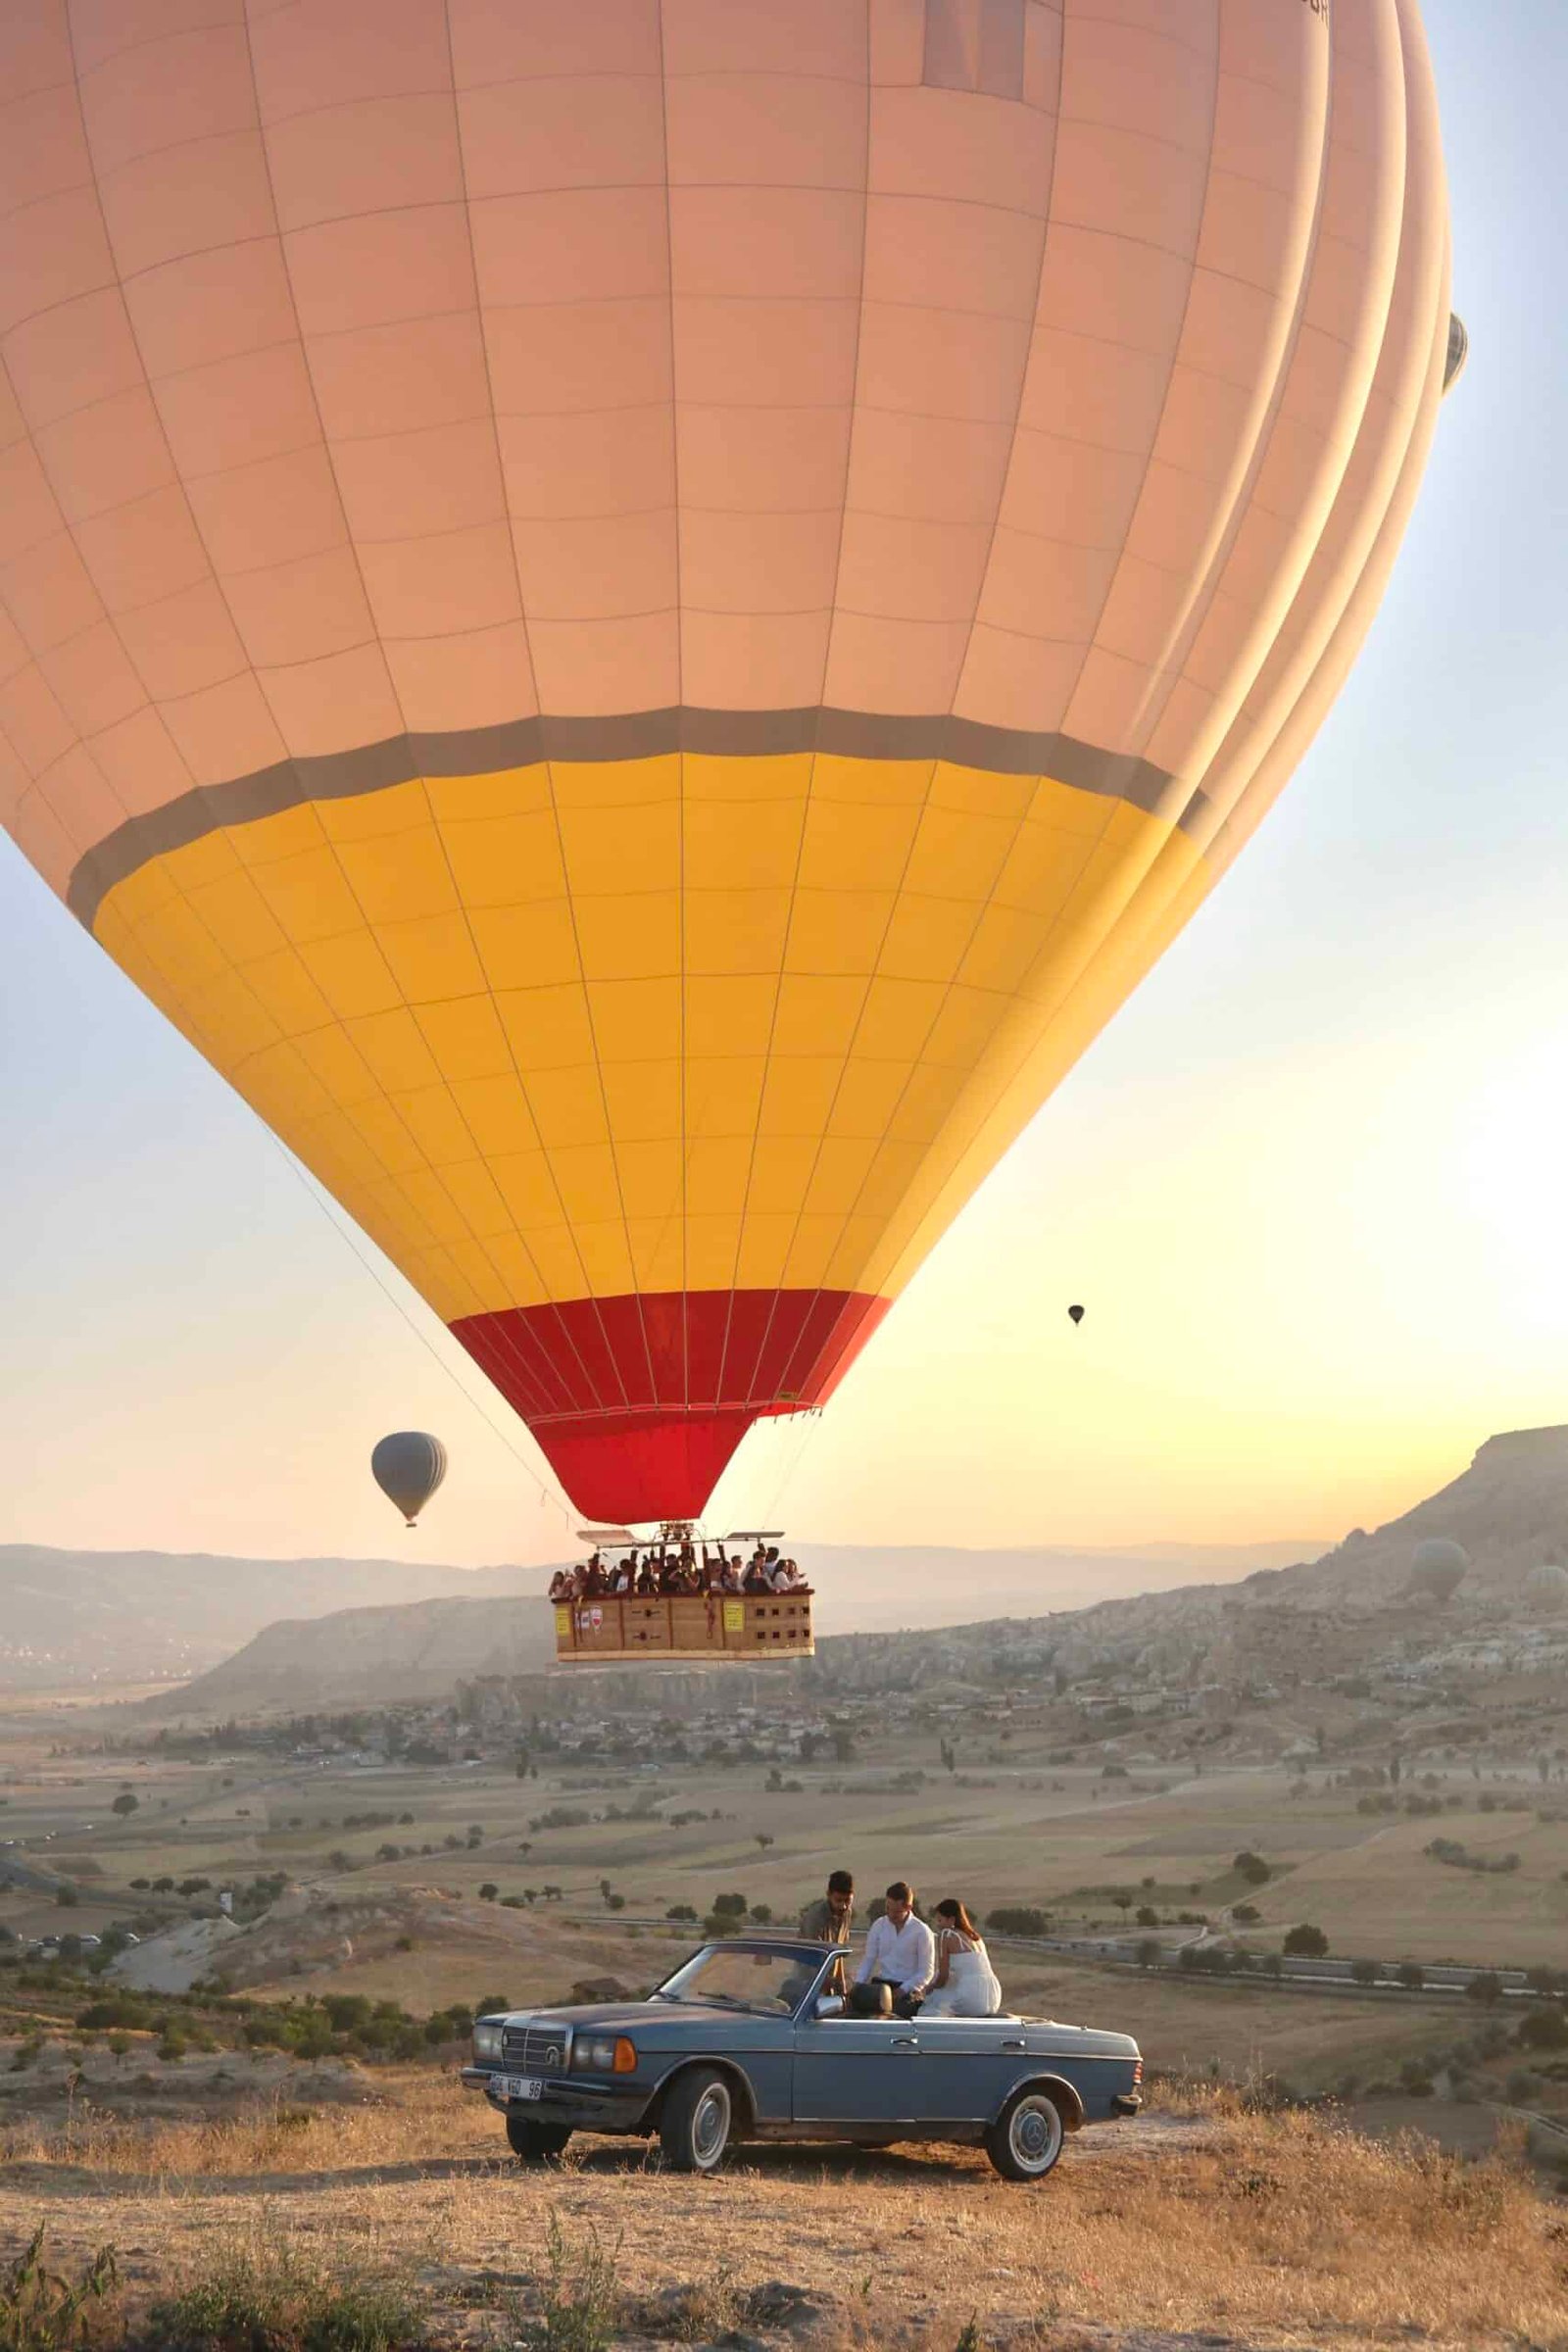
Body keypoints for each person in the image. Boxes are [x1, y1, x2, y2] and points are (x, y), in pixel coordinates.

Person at [855, 1881, 934, 2018]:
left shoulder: (921, 1931)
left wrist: (903, 1990)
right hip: (882, 1986)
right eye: (888, 1909)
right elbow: (868, 1959)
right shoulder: (879, 1925)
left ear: (908, 1907)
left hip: (908, 1990)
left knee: (892, 2015)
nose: (891, 1914)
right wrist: (858, 1985)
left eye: (896, 1912)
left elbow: (926, 1972)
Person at [920, 1899, 1003, 2017]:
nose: (938, 1924)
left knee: (931, 2006)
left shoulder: (946, 1934)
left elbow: (943, 1977)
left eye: (940, 1920)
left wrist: (929, 1988)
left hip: (971, 1994)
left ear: (951, 1920)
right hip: (993, 1995)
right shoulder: (976, 1938)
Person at [798, 1869, 855, 1945]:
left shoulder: (847, 1912)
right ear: (828, 1895)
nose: (843, 1906)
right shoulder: (815, 1918)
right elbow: (815, 1953)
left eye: (847, 1900)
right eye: (838, 1900)